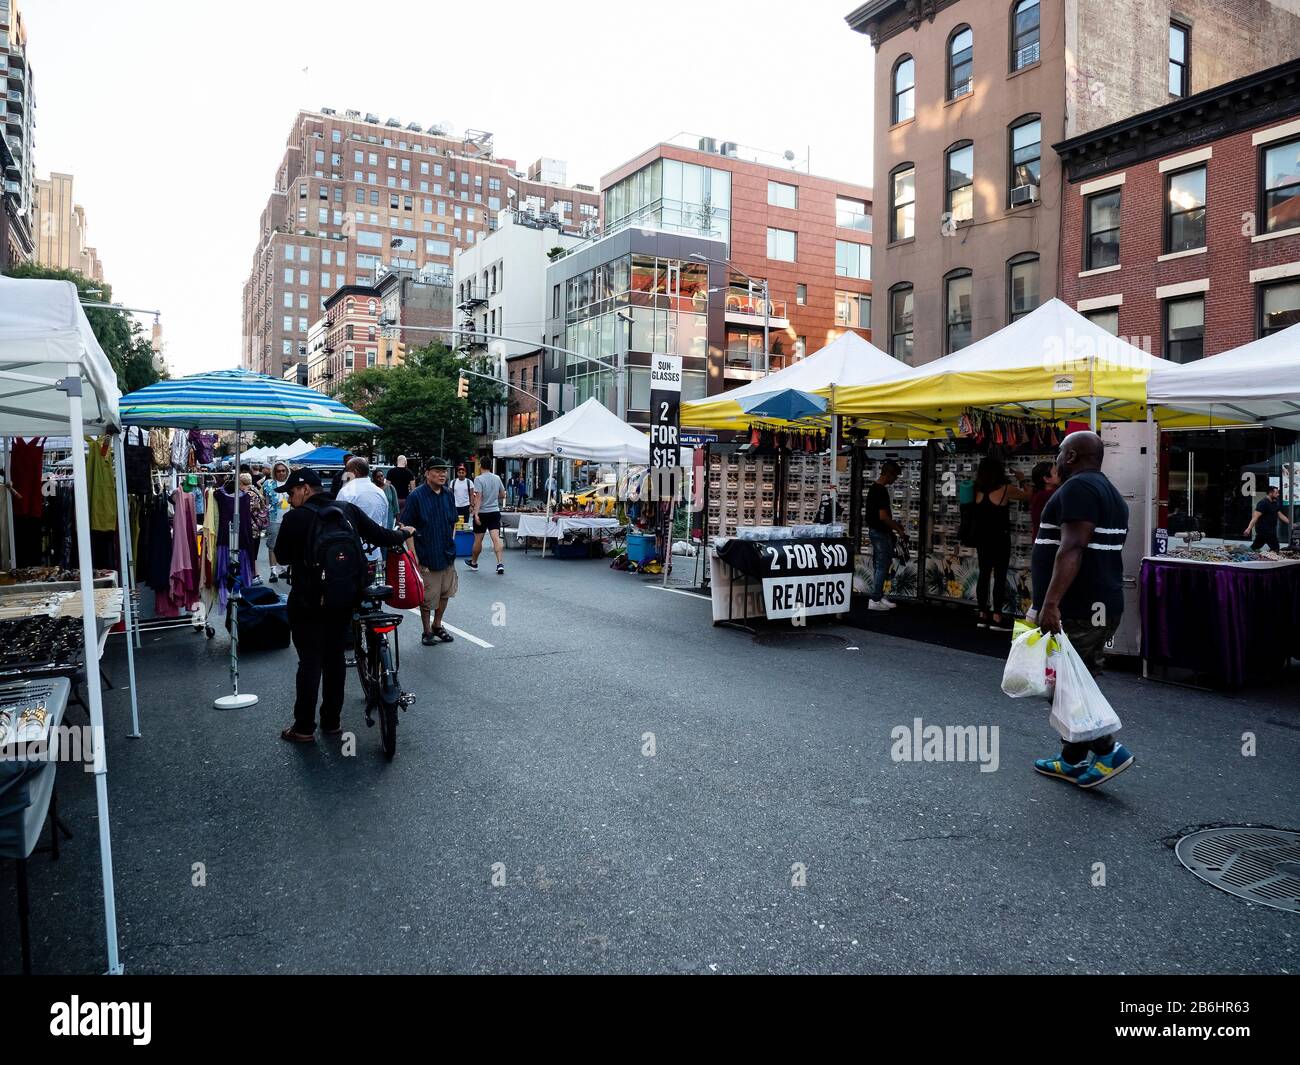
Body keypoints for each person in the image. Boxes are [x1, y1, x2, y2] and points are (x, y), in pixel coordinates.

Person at [273, 468, 411, 743]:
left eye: (291, 492)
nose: (290, 498)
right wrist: (403, 533)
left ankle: (303, 728)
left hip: (308, 602)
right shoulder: (346, 510)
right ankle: (332, 722)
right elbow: (380, 535)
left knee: (310, 662)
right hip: (344, 598)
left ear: (304, 489)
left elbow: (283, 556)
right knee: (334, 659)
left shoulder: (295, 518)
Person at [1031, 430, 1134, 789]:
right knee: (1078, 677)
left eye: (1060, 453)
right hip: (1100, 605)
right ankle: (1072, 759)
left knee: (1063, 685)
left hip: (1077, 607)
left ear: (1071, 456)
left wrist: (1050, 602)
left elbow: (1072, 547)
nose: (1056, 459)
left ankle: (1108, 751)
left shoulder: (1078, 489)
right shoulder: (1111, 494)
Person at [400, 459, 459, 646]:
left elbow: (453, 522)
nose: (442, 474)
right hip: (426, 551)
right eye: (438, 471)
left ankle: (437, 624)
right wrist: (413, 553)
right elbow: (406, 525)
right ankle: (426, 631)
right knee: (426, 596)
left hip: (446, 551)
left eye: (444, 471)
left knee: (445, 592)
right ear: (427, 473)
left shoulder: (448, 494)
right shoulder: (416, 496)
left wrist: (452, 540)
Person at [971, 456, 1031, 631]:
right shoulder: (1006, 489)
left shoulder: (976, 489)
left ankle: (982, 614)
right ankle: (997, 616)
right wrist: (1022, 479)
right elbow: (1028, 496)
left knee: (984, 574)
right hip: (1000, 538)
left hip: (982, 538)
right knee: (999, 575)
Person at [865, 460, 906, 612]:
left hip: (876, 531)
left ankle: (878, 595)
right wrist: (898, 529)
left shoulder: (873, 488)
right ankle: (875, 599)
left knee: (879, 565)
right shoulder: (880, 491)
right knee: (882, 565)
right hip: (881, 532)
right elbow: (883, 516)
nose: (895, 480)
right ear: (888, 474)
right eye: (895, 476)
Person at [337, 457, 392, 567]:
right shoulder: (380, 492)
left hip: (350, 553)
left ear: (355, 472)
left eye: (347, 471)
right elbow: (384, 524)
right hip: (374, 554)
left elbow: (337, 523)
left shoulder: (346, 491)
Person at [469, 463, 507, 574]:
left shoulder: (478, 479)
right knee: (496, 538)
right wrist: (493, 496)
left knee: (478, 540)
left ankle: (474, 563)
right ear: (490, 466)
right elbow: (503, 494)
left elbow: (479, 498)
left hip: (482, 513)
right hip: (494, 511)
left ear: (481, 466)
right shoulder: (497, 478)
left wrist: (476, 514)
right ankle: (500, 563)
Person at [265, 461, 290, 582]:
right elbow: (266, 502)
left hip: (290, 517)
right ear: (274, 472)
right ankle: (273, 571)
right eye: (278, 471)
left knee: (287, 544)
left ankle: (284, 569)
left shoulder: (292, 483)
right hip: (274, 518)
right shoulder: (269, 484)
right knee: (272, 545)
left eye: (283, 470)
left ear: (287, 471)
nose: (281, 473)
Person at [1245, 485, 1290, 552]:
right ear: (1270, 493)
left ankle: (1243, 553)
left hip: (1270, 529)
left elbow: (1280, 515)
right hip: (1264, 530)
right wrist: (1249, 529)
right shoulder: (1263, 503)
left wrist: (1291, 523)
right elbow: (1255, 517)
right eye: (1276, 493)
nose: (1278, 494)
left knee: (1255, 546)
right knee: (1275, 548)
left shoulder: (1275, 503)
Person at [1028, 460, 1060, 543]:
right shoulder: (1047, 495)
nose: (1059, 475)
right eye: (1055, 473)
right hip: (1047, 541)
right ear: (1046, 479)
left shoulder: (1038, 493)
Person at [241, 472, 269, 569]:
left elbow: (249, 509)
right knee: (253, 550)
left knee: (251, 550)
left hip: (251, 526)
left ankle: (253, 574)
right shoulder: (256, 490)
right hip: (257, 525)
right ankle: (253, 572)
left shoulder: (249, 494)